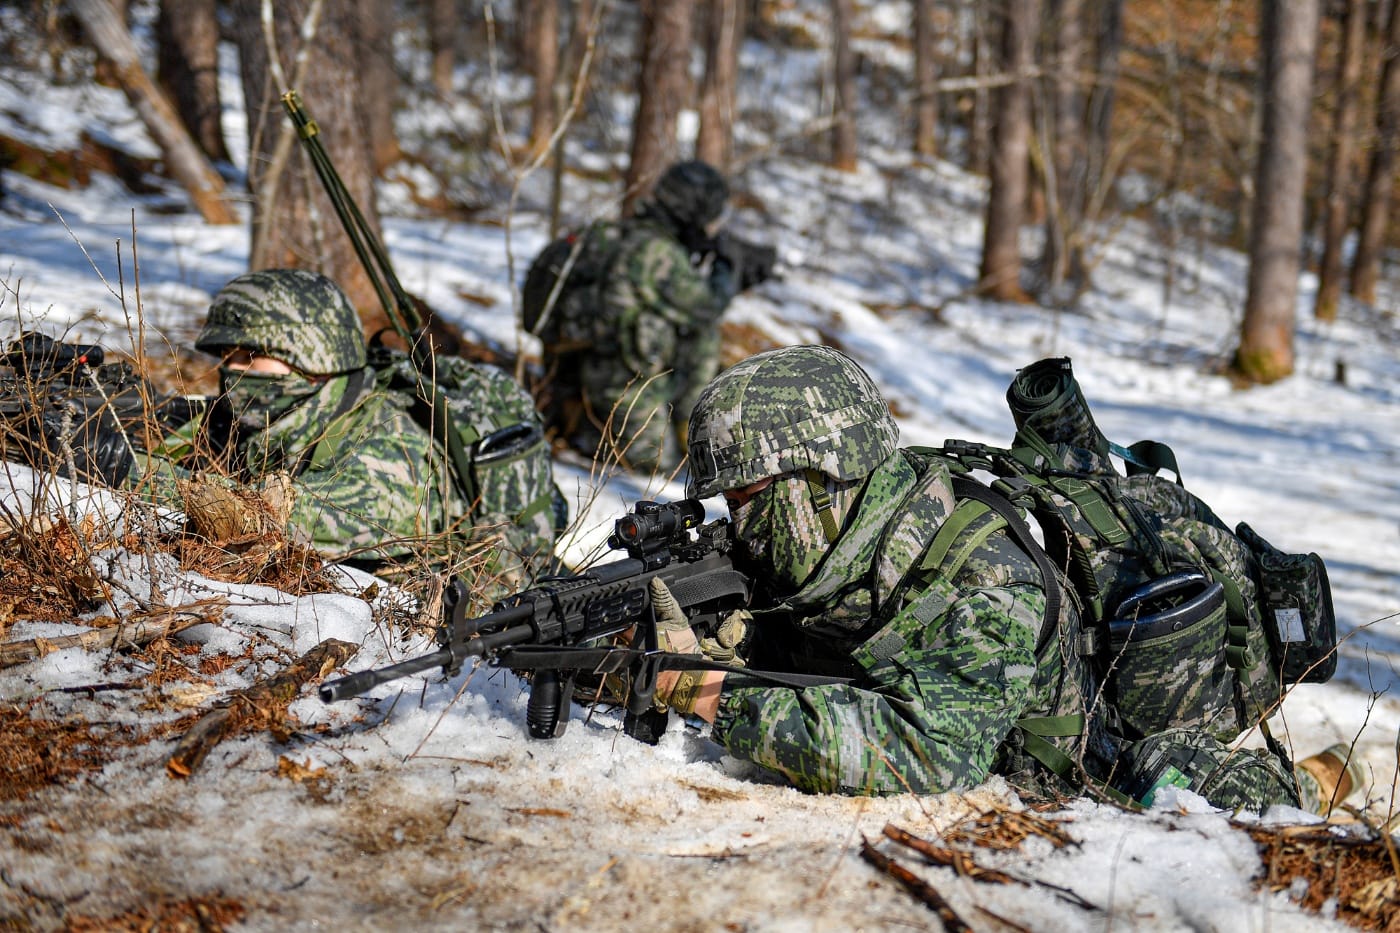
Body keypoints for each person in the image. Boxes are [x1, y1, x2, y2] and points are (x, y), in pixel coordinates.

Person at [646, 345, 1359, 813]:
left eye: (746, 499)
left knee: (1173, 786)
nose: (737, 525)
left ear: (823, 481)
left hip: (1090, 753)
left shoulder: (983, 581)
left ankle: (1327, 778)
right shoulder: (852, 536)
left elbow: (925, 751)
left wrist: (703, 689)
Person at [48, 268, 561, 588]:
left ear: (313, 360)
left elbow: (262, 517)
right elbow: (194, 426)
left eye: (253, 356)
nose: (233, 370)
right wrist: (104, 399)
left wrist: (113, 465)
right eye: (228, 356)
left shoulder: (388, 452)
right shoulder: (291, 404)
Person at [535, 160, 772, 472]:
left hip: (578, 368)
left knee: (696, 337)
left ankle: (585, 421)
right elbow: (706, 306)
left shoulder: (614, 234)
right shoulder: (656, 251)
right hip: (620, 384)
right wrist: (728, 267)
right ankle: (591, 435)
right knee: (658, 465)